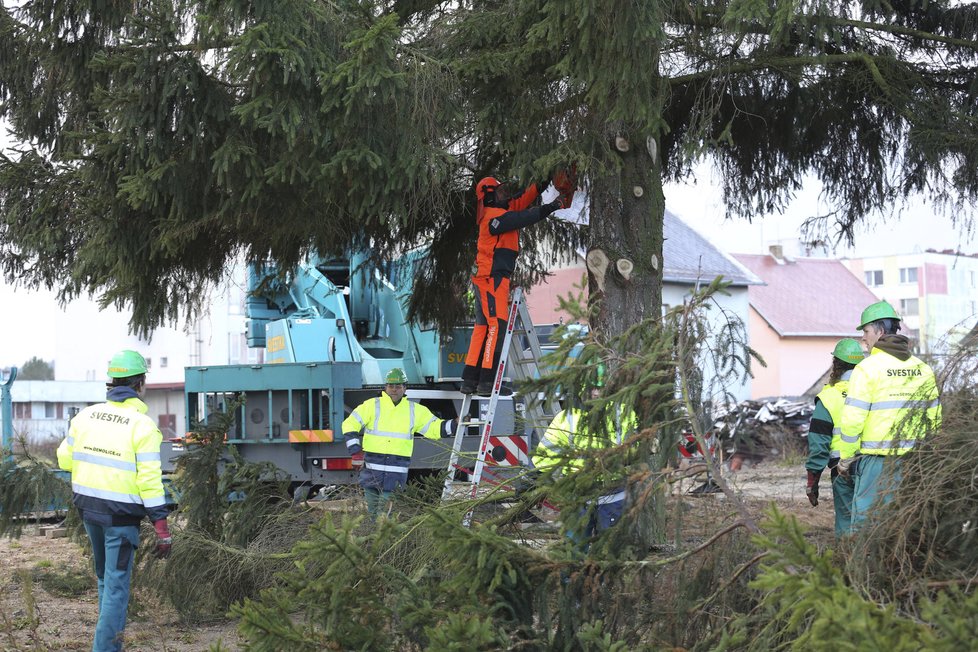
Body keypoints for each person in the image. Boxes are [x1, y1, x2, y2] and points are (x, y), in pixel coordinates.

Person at [56, 350, 171, 652]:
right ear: (140, 384)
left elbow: (64, 459)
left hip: (89, 509)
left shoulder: (85, 416)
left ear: (111, 383)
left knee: (106, 579)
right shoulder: (142, 426)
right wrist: (161, 525)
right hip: (120, 519)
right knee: (117, 585)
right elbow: (149, 481)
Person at [837, 300, 942, 530]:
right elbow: (935, 419)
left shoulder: (867, 369)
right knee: (908, 525)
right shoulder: (922, 369)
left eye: (865, 331)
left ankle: (866, 567)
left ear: (880, 331)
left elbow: (853, 420)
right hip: (916, 463)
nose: (863, 338)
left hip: (877, 464)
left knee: (867, 526)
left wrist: (846, 458)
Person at [460, 175, 568, 396]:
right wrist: (552, 206)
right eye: (499, 191)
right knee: (496, 328)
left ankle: (470, 379)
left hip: (489, 278)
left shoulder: (501, 211)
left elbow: (522, 201)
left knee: (482, 329)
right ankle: (486, 382)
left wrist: (542, 182)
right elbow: (522, 217)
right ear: (489, 195)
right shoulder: (494, 218)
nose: (505, 194)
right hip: (492, 279)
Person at [531, 367, 634, 553]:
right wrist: (534, 476)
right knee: (573, 551)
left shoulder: (623, 414)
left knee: (609, 553)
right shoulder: (566, 418)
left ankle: (605, 582)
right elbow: (547, 452)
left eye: (600, 387)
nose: (595, 392)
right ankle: (572, 581)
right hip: (576, 496)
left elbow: (638, 445)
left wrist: (624, 456)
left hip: (613, 495)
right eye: (591, 387)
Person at [343, 367, 456, 520]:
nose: (394, 390)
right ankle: (373, 542)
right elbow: (350, 424)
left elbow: (435, 429)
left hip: (394, 474)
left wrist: (455, 424)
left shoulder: (414, 410)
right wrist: (355, 450)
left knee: (385, 516)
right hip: (371, 471)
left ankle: (385, 542)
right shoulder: (372, 406)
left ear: (405, 388)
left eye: (398, 386)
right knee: (372, 515)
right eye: (391, 386)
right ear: (385, 387)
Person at [804, 338, 864, 537]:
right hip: (874, 464)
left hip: (842, 469)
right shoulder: (873, 391)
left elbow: (818, 443)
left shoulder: (829, 397)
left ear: (836, 365)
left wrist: (812, 481)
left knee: (847, 524)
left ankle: (847, 563)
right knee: (871, 521)